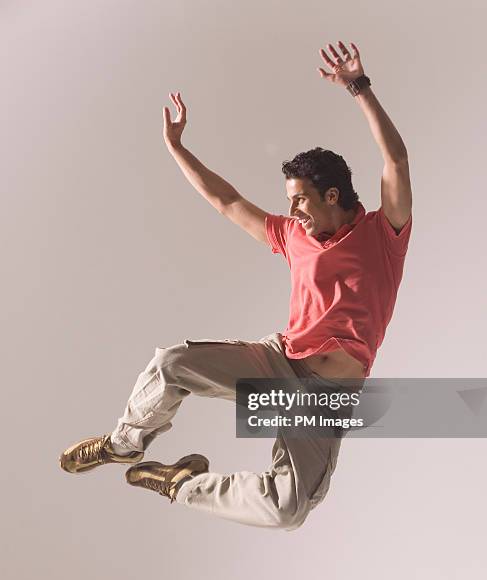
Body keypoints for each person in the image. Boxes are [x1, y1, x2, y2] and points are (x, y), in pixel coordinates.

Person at [59, 41, 412, 531]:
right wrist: (178, 149)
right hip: (279, 361)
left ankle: (181, 484)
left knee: (287, 509)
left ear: (332, 195)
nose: (292, 211)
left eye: (300, 200)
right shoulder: (292, 236)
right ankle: (125, 443)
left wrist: (358, 86)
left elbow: (396, 160)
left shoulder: (383, 234)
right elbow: (227, 202)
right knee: (172, 363)